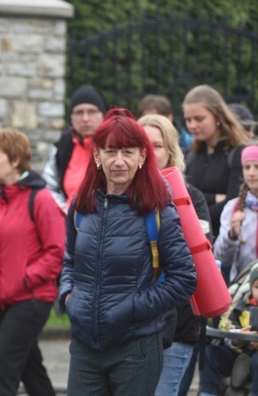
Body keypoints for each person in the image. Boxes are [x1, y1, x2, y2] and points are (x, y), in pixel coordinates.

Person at [58, 108, 197, 395]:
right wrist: (69, 297)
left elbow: (184, 278)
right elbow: (70, 261)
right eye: (110, 151)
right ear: (97, 155)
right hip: (85, 347)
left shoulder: (158, 211)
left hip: (136, 347)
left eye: (128, 152)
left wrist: (133, 308)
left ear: (142, 157)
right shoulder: (82, 207)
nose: (118, 161)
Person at [0, 127, 65, 396]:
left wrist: (25, 279)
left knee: (3, 369)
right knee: (29, 367)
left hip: (31, 299)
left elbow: (57, 252)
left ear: (15, 160)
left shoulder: (41, 200)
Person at [139, 113, 212, 396]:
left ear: (170, 151)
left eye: (155, 146)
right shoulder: (119, 197)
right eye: (141, 145)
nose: (147, 153)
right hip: (129, 326)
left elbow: (198, 261)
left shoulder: (191, 199)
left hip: (177, 327)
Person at [183, 85, 250, 239]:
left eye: (199, 119)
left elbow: (234, 203)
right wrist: (214, 198)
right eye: (188, 120)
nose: (192, 125)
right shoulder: (188, 155)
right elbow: (183, 197)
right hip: (193, 242)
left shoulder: (238, 153)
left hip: (225, 241)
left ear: (218, 116)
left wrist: (194, 218)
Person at [43, 84, 106, 212]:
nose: (85, 118)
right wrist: (65, 212)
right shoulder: (63, 145)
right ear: (71, 117)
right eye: (79, 112)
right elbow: (49, 185)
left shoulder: (113, 145)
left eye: (92, 112)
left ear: (102, 115)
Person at [200, 266, 258, 396]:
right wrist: (237, 339)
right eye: (257, 287)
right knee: (210, 353)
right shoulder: (240, 308)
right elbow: (228, 328)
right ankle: (207, 392)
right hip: (238, 351)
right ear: (250, 288)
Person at [214, 144, 258, 283]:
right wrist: (232, 236)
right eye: (247, 167)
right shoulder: (233, 207)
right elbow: (221, 257)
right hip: (243, 288)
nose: (251, 173)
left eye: (257, 167)